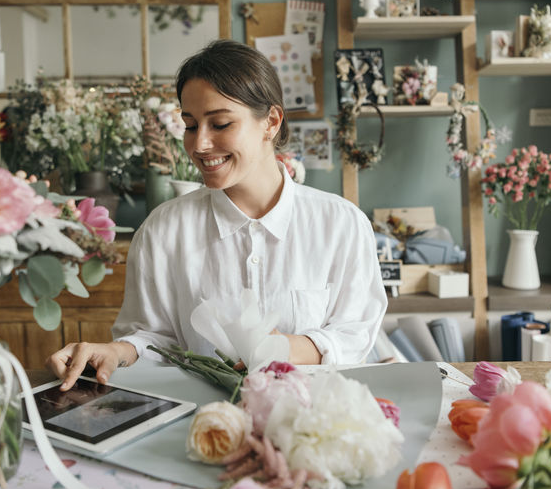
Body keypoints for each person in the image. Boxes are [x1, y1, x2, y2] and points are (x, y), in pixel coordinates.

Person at [47, 40, 387, 391]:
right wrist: (116, 351)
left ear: (270, 122)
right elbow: (154, 338)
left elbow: (356, 334)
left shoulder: (341, 224)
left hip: (311, 423)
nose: (199, 145)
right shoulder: (163, 231)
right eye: (191, 126)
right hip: (201, 423)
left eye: (221, 124)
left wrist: (279, 348)